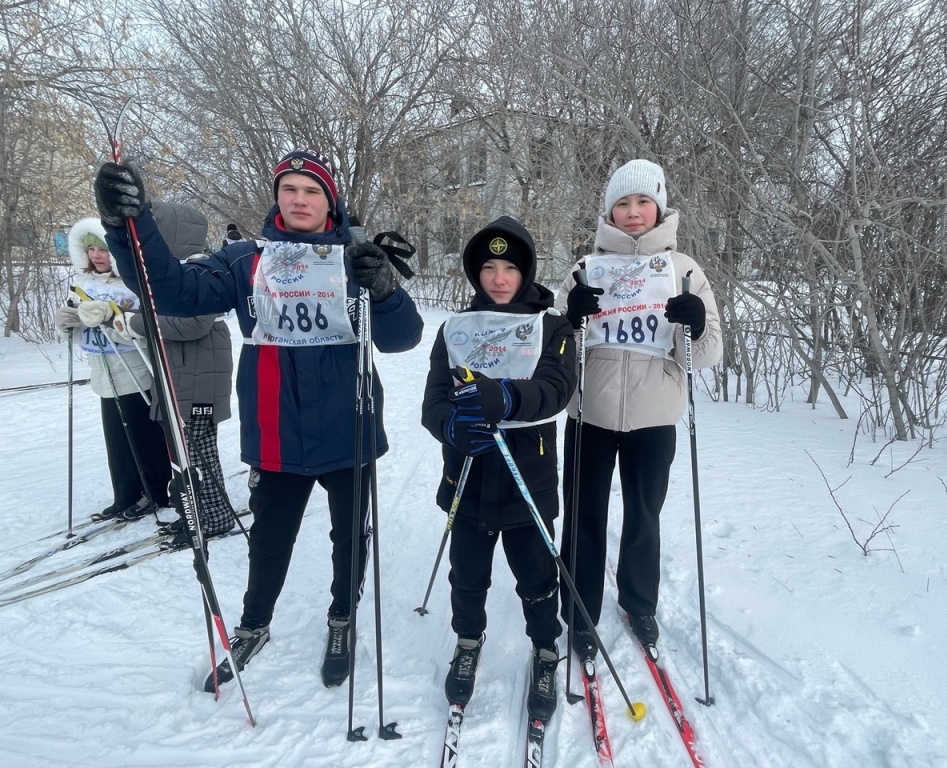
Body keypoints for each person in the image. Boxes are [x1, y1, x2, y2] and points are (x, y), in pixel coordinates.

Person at [92, 148, 424, 690]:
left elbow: (402, 337)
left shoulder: (354, 259)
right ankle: (254, 624)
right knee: (270, 537)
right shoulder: (248, 259)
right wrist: (127, 224)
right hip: (277, 432)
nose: (299, 198)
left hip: (349, 429)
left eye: (312, 190)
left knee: (349, 538)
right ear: (276, 196)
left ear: (329, 200)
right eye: (289, 188)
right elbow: (174, 290)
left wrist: (385, 289)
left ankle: (342, 617)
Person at [555, 159, 723, 653]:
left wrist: (693, 326)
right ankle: (580, 604)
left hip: (655, 415)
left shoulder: (685, 269)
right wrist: (571, 320)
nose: (632, 213)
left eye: (642, 202)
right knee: (584, 510)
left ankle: (639, 600)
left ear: (659, 207)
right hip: (591, 411)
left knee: (644, 513)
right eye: (622, 204)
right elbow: (557, 349)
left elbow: (710, 354)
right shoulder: (585, 268)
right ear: (609, 211)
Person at [421, 216, 576, 723]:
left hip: (525, 481)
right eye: (487, 266)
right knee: (467, 575)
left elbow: (556, 389)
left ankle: (546, 648)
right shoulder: (456, 329)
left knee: (536, 575)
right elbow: (434, 402)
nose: (499, 277)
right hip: (467, 477)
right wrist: (451, 428)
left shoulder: (550, 325)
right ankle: (468, 640)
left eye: (510, 267)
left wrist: (507, 395)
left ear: (526, 272)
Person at [105, 201, 236, 546]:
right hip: (180, 378)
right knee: (184, 454)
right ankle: (194, 513)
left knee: (200, 451)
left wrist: (137, 324)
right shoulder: (171, 277)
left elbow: (193, 323)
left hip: (201, 382)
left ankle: (214, 517)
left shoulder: (202, 273)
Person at [54, 218, 171, 522]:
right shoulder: (82, 284)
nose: (96, 255)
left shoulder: (132, 281)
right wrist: (66, 322)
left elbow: (145, 325)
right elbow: (74, 327)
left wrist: (110, 317)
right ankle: (126, 493)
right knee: (117, 439)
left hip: (135, 370)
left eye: (103, 250)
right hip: (104, 371)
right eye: (91, 249)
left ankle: (156, 491)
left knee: (143, 435)